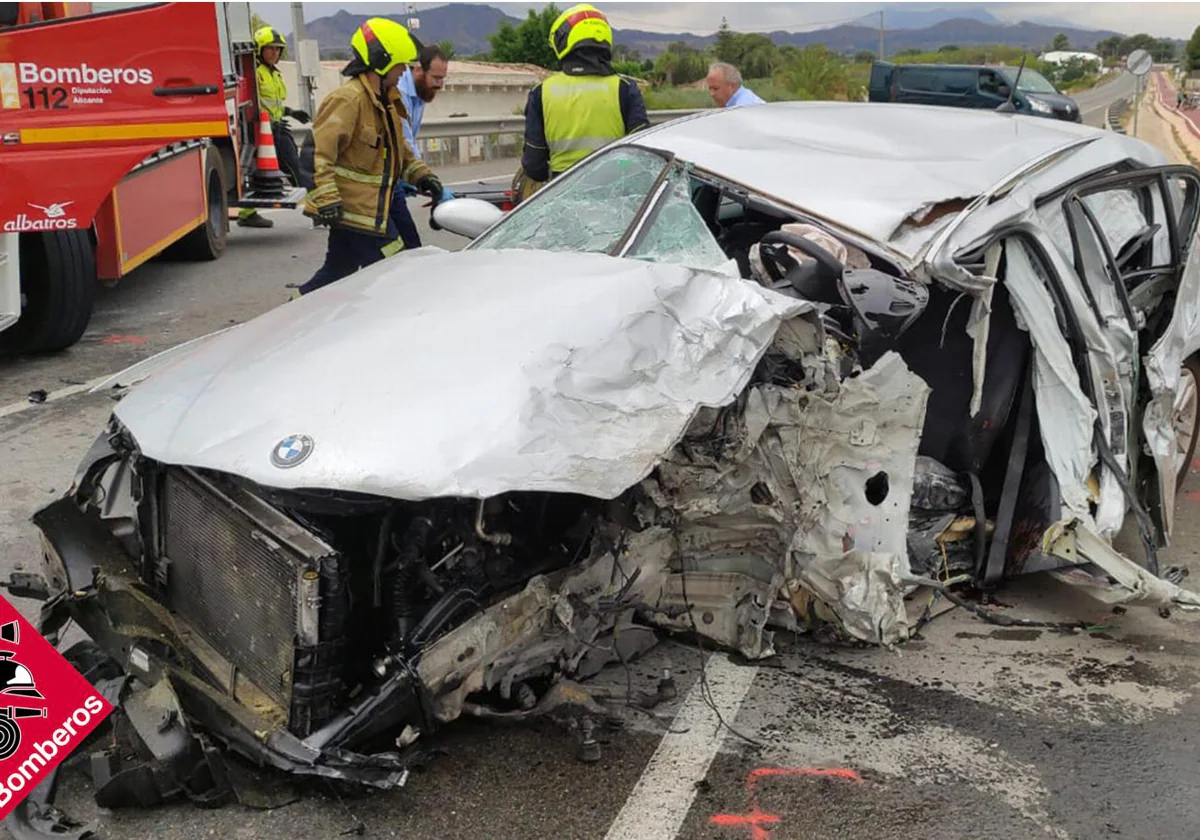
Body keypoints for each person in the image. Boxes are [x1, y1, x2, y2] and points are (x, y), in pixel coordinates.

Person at [296, 18, 445, 297]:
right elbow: (318, 153)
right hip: (355, 213)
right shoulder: (349, 101)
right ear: (381, 61)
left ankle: (293, 312)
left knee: (336, 273)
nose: (403, 71)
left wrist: (424, 176)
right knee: (396, 268)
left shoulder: (386, 101)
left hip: (370, 213)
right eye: (400, 65)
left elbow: (400, 150)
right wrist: (327, 199)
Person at [519, 3, 649, 191]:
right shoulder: (625, 88)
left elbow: (534, 165)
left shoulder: (542, 92)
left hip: (564, 190)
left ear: (563, 40)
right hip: (615, 190)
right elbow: (642, 152)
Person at [238, 26, 313, 229]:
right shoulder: (256, 74)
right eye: (270, 48)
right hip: (263, 131)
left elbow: (274, 105)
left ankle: (315, 207)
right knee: (258, 172)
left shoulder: (274, 74)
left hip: (277, 129)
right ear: (260, 50)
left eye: (278, 49)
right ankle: (248, 213)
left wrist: (292, 112)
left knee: (294, 167)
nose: (275, 53)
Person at [389, 43, 454, 250]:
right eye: (436, 78)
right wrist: (424, 179)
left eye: (442, 78)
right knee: (406, 248)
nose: (440, 84)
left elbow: (408, 144)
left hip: (392, 178)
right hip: (382, 183)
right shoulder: (399, 94)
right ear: (418, 70)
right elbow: (405, 141)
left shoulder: (419, 94)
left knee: (404, 247)